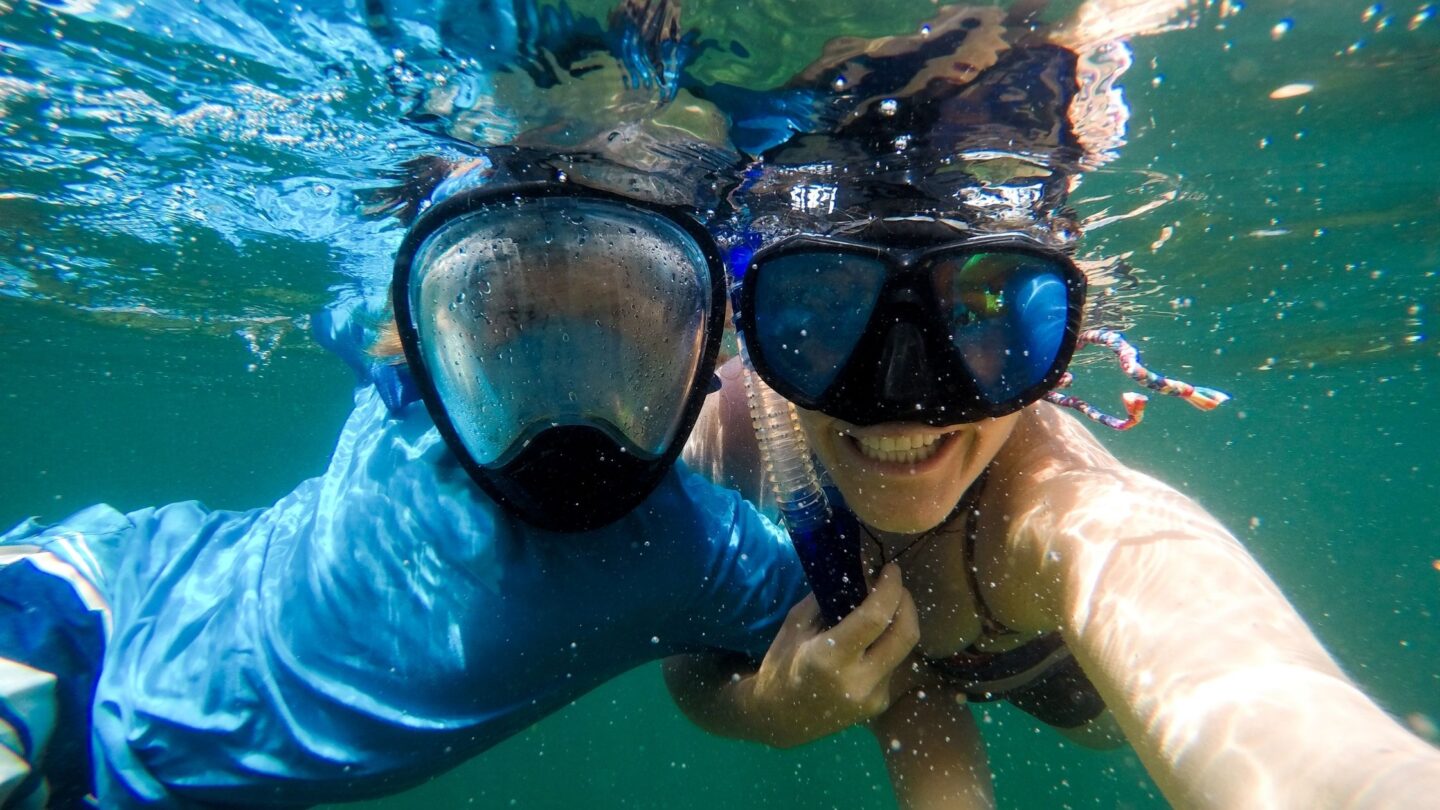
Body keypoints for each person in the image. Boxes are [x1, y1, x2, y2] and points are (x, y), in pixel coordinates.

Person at [0, 2, 930, 804]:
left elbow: (869, 649)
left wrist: (786, 706)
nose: (566, 414)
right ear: (432, 337)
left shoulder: (700, 553)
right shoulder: (409, 387)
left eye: (623, 339)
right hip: (76, 613)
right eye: (514, 324)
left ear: (706, 350)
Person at [666, 6, 1440, 808]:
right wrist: (777, 709)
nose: (903, 402)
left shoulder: (1062, 514)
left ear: (1061, 341)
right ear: (755, 320)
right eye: (825, 310)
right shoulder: (728, 431)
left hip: (1059, 686)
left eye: (979, 314)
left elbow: (1262, 704)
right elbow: (688, 663)